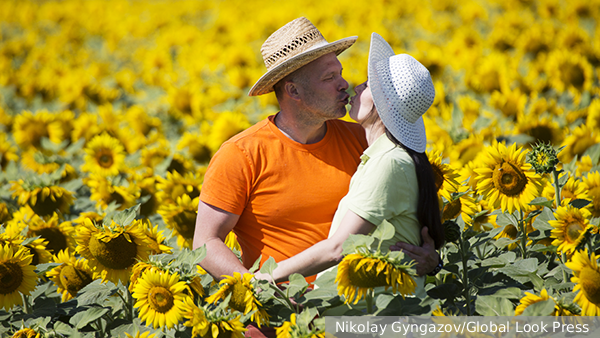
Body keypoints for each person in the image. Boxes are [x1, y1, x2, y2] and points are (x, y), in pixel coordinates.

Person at [193, 18, 440, 288]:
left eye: (340, 73)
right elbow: (206, 242)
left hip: (352, 312)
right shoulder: (241, 154)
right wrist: (255, 290)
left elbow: (412, 215)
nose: (344, 84)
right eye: (329, 77)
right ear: (294, 90)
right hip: (277, 319)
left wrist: (432, 260)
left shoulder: (366, 144)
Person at [254, 33, 445, 305]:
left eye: (367, 85)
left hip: (379, 317)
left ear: (384, 103)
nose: (354, 87)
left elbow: (338, 248)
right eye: (330, 77)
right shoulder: (381, 155)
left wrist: (266, 278)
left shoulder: (389, 162)